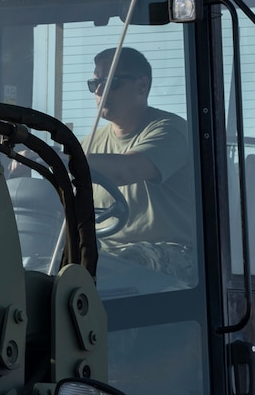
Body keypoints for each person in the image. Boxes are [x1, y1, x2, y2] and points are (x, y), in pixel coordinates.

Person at [82, 47, 199, 290]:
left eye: (111, 82)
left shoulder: (171, 131)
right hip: (107, 253)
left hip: (174, 254)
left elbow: (127, 170)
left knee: (124, 266)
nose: (100, 91)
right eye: (95, 84)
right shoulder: (89, 144)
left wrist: (61, 158)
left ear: (142, 86)